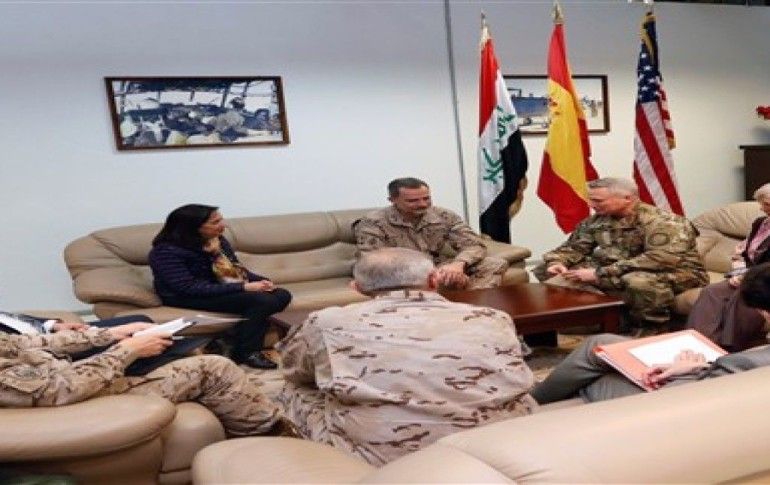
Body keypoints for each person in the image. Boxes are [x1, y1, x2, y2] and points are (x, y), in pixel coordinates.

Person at [277, 247, 536, 466]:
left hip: (390, 458)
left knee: (294, 388)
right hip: (503, 441)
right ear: (434, 280)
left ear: (357, 288)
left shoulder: (327, 321)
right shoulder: (492, 316)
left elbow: (293, 370)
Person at [531, 262, 770, 405]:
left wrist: (683, 372)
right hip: (701, 375)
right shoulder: (750, 358)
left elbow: (694, 401)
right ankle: (534, 399)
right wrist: (700, 366)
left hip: (674, 406)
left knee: (597, 373)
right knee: (603, 344)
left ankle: (530, 405)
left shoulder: (745, 362)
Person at [0, 321, 280, 437]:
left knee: (173, 350)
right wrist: (127, 350)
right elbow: (58, 391)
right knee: (215, 368)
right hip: (71, 404)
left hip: (71, 379)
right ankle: (267, 435)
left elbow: (25, 343)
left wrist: (109, 334)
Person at [532, 177, 708, 329]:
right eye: (591, 199)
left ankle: (651, 329)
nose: (591, 205)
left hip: (677, 272)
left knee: (638, 281)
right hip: (619, 268)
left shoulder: (664, 222)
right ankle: (609, 318)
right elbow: (574, 248)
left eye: (598, 201)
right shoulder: (597, 221)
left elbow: (659, 259)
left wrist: (600, 273)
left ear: (627, 198)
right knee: (544, 269)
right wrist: (558, 262)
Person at [149, 204, 292, 369]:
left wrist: (262, 281)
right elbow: (187, 287)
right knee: (263, 301)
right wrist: (244, 288)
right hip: (184, 296)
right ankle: (248, 352)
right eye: (215, 222)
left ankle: (230, 340)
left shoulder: (217, 240)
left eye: (221, 219)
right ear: (193, 227)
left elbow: (236, 268)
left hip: (219, 288)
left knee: (281, 294)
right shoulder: (165, 252)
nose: (223, 225)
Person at [354, 177, 508, 290]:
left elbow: (474, 245)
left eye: (426, 198)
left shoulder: (443, 215)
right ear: (392, 200)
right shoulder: (372, 222)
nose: (422, 204)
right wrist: (432, 274)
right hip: (399, 272)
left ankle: (472, 305)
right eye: (413, 201)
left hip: (436, 266)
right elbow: (372, 261)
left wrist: (458, 265)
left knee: (494, 263)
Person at [686, 183, 770, 351]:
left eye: (766, 204)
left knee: (740, 297)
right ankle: (699, 346)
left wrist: (747, 278)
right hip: (748, 275)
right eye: (761, 204)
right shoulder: (760, 223)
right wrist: (739, 272)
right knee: (711, 291)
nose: (762, 208)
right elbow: (743, 253)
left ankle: (729, 350)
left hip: (765, 282)